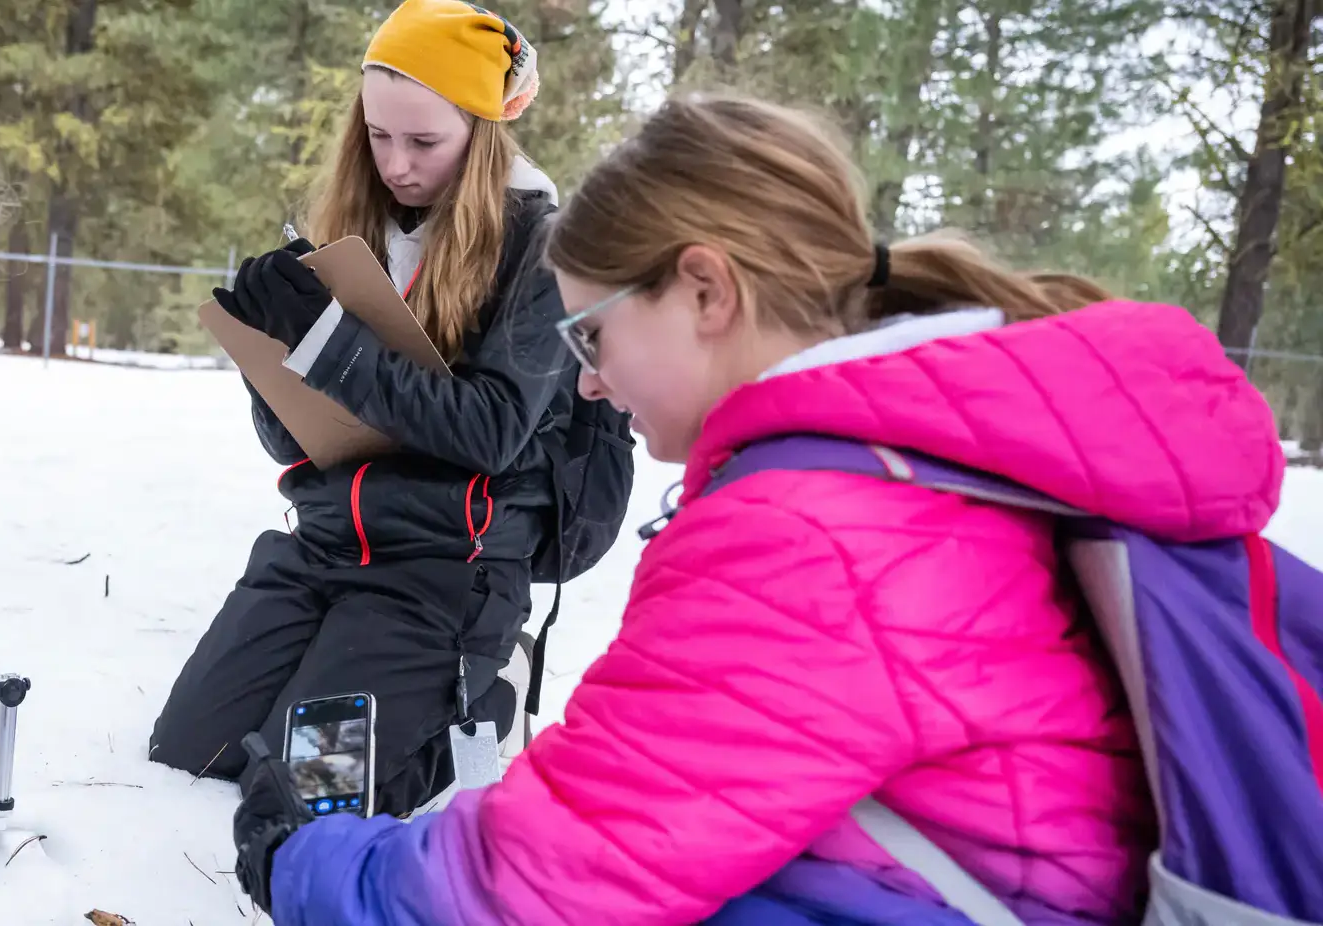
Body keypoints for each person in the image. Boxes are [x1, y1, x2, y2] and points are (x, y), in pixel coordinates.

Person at [233, 91, 1289, 924]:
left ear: (705, 291)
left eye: (592, 334)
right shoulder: (913, 466)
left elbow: (542, 883)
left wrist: (309, 864)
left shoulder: (810, 528)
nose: (589, 382)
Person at [150, 0, 631, 819]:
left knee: (312, 792)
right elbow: (291, 442)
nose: (397, 164)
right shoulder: (353, 233)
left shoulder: (542, 250)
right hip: (326, 545)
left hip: (446, 572)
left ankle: (487, 689)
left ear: (481, 133)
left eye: (423, 141)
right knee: (192, 752)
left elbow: (492, 430)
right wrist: (271, 347)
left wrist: (329, 341)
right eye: (378, 137)